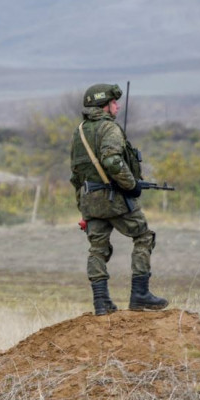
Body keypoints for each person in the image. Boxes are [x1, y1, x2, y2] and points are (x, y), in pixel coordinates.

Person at [69, 83, 168, 315]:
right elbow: (112, 161)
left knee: (97, 249)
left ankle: (101, 302)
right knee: (144, 236)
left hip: (89, 201)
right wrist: (132, 186)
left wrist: (83, 207)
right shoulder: (110, 129)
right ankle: (140, 295)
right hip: (114, 199)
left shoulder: (79, 131)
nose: (118, 106)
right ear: (104, 105)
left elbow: (76, 174)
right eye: (114, 102)